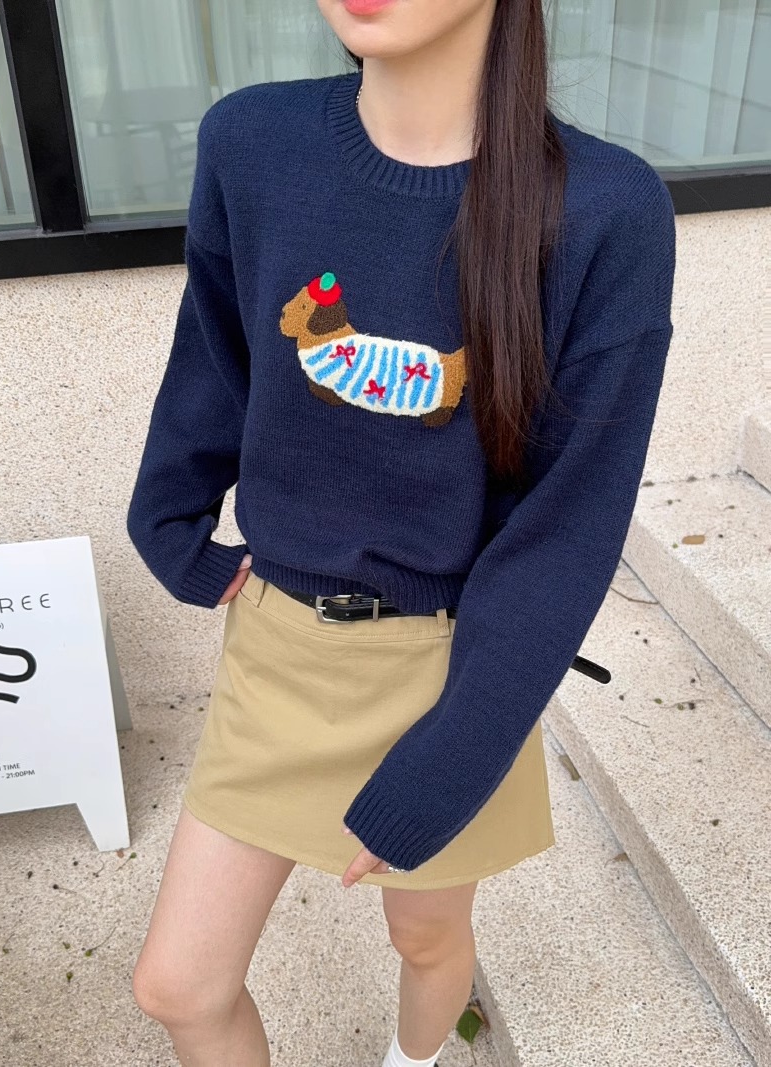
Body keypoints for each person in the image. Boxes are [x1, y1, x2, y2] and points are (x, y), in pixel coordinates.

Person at [124, 0, 676, 1064]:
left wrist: (458, 753)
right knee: (178, 985)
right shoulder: (253, 142)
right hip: (280, 650)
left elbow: (567, 524)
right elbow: (216, 357)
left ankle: (416, 1057)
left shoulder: (606, 209)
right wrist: (170, 520)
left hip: (451, 668)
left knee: (425, 939)